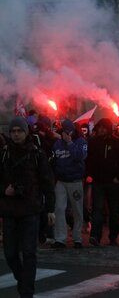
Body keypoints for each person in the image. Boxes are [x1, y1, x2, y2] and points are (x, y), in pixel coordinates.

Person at [0, 117, 56, 298]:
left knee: (29, 253)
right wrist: (4, 189)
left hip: (30, 210)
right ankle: (22, 279)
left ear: (26, 132)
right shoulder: (4, 153)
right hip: (9, 209)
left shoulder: (37, 154)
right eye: (13, 131)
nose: (16, 134)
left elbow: (47, 183)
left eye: (19, 131)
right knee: (10, 254)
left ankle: (26, 293)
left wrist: (50, 209)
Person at [86, 118, 119, 246]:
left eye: (104, 127)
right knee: (97, 210)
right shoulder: (93, 142)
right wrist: (89, 174)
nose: (101, 129)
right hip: (98, 181)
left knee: (113, 211)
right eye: (100, 127)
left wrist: (118, 177)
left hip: (113, 182)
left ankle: (113, 236)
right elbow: (89, 160)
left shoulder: (117, 142)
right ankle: (95, 236)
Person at [51, 119, 87, 249]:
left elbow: (80, 157)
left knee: (77, 210)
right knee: (59, 209)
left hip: (75, 181)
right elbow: (55, 160)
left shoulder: (81, 142)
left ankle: (77, 238)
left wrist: (70, 143)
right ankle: (60, 239)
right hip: (61, 181)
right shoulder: (57, 144)